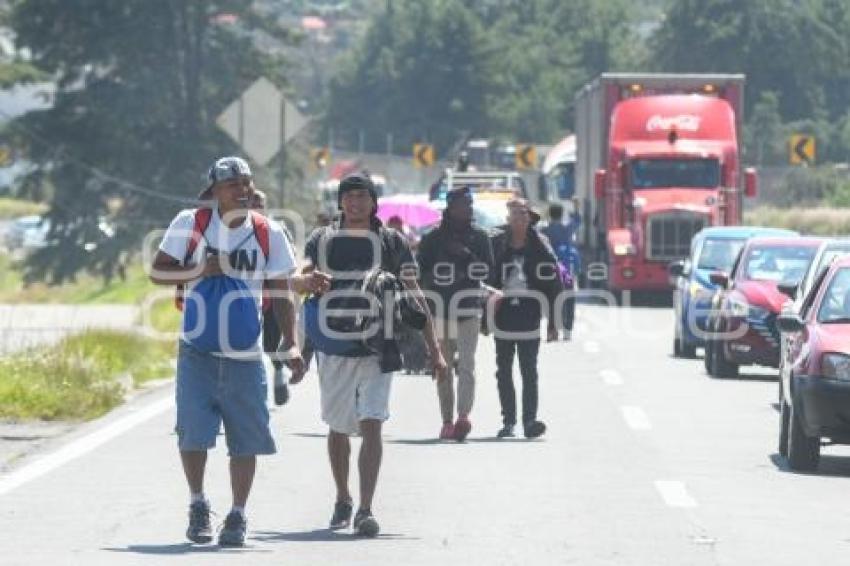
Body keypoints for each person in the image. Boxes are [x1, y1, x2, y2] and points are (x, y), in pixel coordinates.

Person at [150, 156, 310, 546]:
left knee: (247, 436)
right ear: (215, 192)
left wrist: (291, 343)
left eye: (246, 183)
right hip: (197, 350)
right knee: (192, 434)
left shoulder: (269, 231)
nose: (241, 189)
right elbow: (158, 272)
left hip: (245, 351)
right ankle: (198, 503)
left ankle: (237, 514)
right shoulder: (191, 224)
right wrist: (199, 271)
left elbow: (280, 291)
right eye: (232, 184)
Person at [292, 173, 448, 537]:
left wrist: (435, 350)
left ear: (373, 202)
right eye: (349, 197)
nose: (356, 203)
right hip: (334, 346)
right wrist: (302, 282)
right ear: (341, 202)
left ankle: (365, 507)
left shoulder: (392, 242)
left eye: (363, 196)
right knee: (336, 426)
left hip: (380, 346)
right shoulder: (323, 239)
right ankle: (343, 497)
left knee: (372, 422)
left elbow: (413, 293)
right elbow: (304, 275)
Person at [417, 186, 495, 441]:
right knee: (444, 368)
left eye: (470, 204)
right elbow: (421, 275)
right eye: (463, 204)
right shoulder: (433, 239)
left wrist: (466, 256)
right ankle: (447, 421)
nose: (468, 208)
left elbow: (489, 272)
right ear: (450, 207)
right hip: (440, 311)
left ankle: (463, 416)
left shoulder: (481, 238)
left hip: (469, 308)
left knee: (468, 365)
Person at [490, 198, 562, 439]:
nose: (519, 219)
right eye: (514, 215)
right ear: (508, 219)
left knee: (528, 369)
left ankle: (530, 421)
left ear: (530, 217)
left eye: (523, 214)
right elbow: (485, 277)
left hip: (530, 313)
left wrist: (553, 321)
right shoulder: (497, 243)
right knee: (503, 369)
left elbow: (554, 283)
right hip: (503, 313)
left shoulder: (541, 245)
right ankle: (508, 421)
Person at [250, 189, 292, 405]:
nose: (255, 205)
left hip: (272, 297)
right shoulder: (237, 230)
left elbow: (288, 264)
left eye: (259, 202)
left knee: (271, 344)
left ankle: (278, 375)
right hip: (246, 297)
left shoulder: (276, 230)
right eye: (252, 201)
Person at [542, 200, 581, 340]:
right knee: (569, 298)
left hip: (550, 268)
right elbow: (577, 221)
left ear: (550, 214)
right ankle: (567, 330)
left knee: (552, 299)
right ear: (561, 214)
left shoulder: (545, 230)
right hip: (566, 268)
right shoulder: (566, 229)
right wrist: (576, 208)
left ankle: (553, 327)